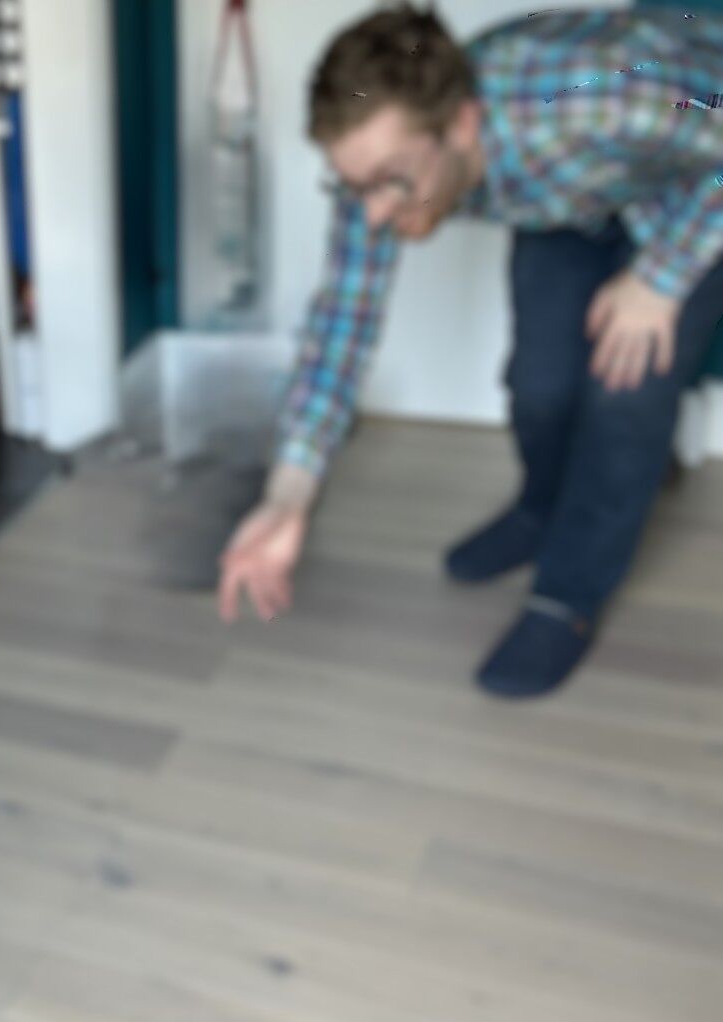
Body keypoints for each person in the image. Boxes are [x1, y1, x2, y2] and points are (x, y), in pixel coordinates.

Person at [217, 3, 723, 697]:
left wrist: (660, 278)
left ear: (462, 122)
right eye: (353, 186)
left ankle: (568, 594)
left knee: (624, 394)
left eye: (394, 180)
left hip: (689, 190)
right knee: (539, 382)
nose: (373, 214)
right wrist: (288, 497)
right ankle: (542, 510)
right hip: (569, 203)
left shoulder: (600, 89)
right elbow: (342, 325)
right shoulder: (374, 174)